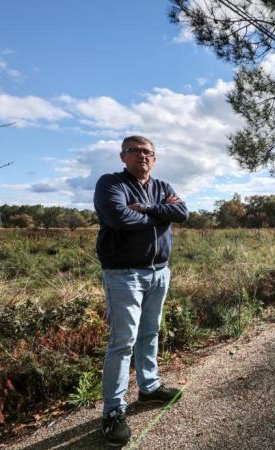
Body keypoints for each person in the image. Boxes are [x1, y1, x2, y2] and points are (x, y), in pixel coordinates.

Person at [93, 135, 189, 447]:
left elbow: (183, 213)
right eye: (135, 151)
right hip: (124, 274)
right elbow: (119, 217)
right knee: (122, 342)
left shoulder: (162, 186)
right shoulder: (111, 184)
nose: (142, 156)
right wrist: (161, 215)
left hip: (159, 272)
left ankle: (149, 387)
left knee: (150, 332)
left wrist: (147, 208)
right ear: (123, 156)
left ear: (155, 158)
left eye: (148, 152)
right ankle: (113, 411)